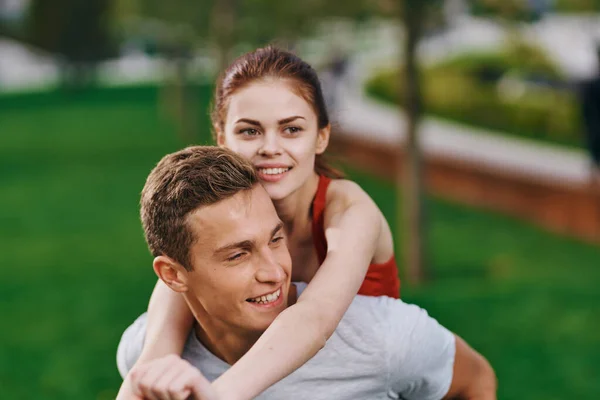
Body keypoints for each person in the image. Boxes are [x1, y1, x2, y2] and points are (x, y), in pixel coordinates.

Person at [117, 145, 497, 399]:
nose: (273, 272)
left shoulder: (380, 338)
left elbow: (476, 379)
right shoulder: (148, 358)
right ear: (172, 275)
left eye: (275, 239)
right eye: (238, 255)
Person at [130, 46, 401, 399]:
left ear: (321, 136)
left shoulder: (349, 211)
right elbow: (154, 354)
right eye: (249, 132)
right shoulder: (213, 235)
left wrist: (217, 396)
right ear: (221, 137)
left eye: (291, 129)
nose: (270, 148)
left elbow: (314, 318)